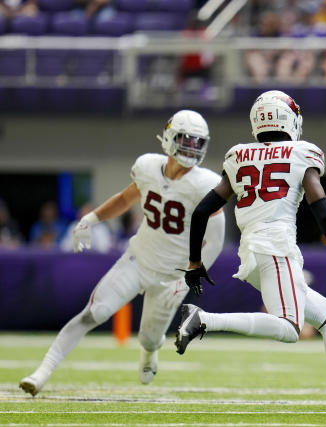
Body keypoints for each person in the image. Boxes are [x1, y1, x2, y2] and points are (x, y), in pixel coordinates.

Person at [175, 90, 326, 415]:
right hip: (276, 248)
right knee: (290, 330)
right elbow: (323, 211)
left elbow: (201, 211)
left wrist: (194, 262)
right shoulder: (301, 152)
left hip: (252, 254)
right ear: (290, 119)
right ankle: (204, 319)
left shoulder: (239, 155)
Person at [19, 110, 225, 396]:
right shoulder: (148, 167)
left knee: (150, 339)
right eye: (185, 139)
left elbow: (214, 241)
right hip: (138, 260)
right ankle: (41, 373)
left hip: (172, 276)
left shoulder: (206, 184)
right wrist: (90, 219)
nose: (191, 147)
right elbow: (126, 198)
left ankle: (149, 354)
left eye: (197, 142)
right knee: (94, 312)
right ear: (169, 137)